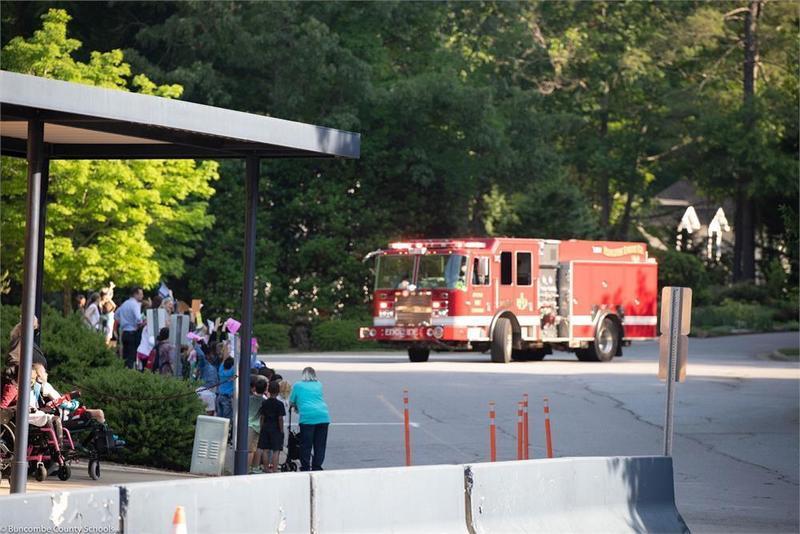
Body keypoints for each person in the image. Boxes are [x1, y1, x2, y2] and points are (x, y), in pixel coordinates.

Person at [289, 367, 330, 471]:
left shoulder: (298, 385)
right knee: (320, 444)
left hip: (307, 417)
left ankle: (305, 466)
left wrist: (296, 407)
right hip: (323, 416)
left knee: (306, 444)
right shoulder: (319, 384)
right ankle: (317, 466)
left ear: (303, 375)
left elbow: (292, 401)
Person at [259, 380, 286, 473]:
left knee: (265, 450)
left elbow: (262, 417)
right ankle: (274, 469)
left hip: (266, 426)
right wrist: (281, 430)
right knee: (276, 450)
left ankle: (266, 468)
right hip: (276, 428)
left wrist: (261, 427)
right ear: (278, 391)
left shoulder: (265, 403)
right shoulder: (280, 404)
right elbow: (280, 418)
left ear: (268, 391)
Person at [115, 287, 144, 368]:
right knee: (131, 356)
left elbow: (116, 315)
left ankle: (125, 372)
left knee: (125, 356)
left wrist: (123, 322)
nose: (142, 296)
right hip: (132, 332)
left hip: (124, 332)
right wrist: (140, 323)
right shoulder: (135, 305)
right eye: (141, 294)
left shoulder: (124, 304)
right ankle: (130, 374)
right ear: (135, 294)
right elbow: (139, 319)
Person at [248, 376, 267, 473]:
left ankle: (249, 468)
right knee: (253, 449)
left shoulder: (250, 398)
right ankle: (251, 468)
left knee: (251, 449)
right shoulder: (264, 401)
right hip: (257, 426)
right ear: (265, 389)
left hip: (248, 424)